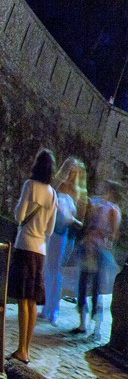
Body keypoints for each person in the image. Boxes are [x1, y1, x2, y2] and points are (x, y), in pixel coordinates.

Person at [10, 149, 57, 364]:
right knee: (32, 302)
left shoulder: (30, 186)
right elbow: (50, 229)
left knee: (22, 299)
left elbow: (20, 216)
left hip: (25, 246)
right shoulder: (53, 194)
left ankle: (21, 349)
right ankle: (27, 348)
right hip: (40, 251)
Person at [42, 156, 87, 325]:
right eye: (69, 170)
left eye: (75, 172)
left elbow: (81, 222)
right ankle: (46, 306)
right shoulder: (58, 185)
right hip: (51, 230)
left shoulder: (79, 194)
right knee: (48, 269)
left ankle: (54, 309)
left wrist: (70, 218)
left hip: (66, 234)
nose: (71, 174)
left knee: (57, 270)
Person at [75, 180, 121, 339]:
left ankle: (95, 326)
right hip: (91, 247)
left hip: (97, 250)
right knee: (85, 284)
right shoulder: (102, 207)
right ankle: (84, 323)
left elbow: (111, 235)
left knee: (94, 287)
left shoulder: (112, 210)